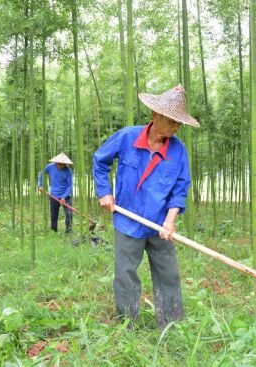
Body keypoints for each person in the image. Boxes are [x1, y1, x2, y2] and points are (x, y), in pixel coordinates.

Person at [93, 85, 199, 328]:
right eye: (172, 121)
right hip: (127, 220)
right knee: (126, 274)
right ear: (155, 115)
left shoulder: (178, 150)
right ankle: (127, 324)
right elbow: (100, 162)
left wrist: (170, 221)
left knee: (168, 274)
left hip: (159, 224)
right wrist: (105, 192)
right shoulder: (127, 137)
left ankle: (171, 324)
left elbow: (180, 189)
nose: (176, 127)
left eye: (179, 123)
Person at [38, 153, 74, 234]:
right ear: (56, 162)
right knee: (53, 216)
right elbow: (41, 173)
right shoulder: (50, 167)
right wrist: (40, 185)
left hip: (66, 196)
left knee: (69, 214)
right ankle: (53, 232)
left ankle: (68, 232)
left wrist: (64, 197)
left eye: (63, 164)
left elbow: (70, 186)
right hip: (53, 195)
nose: (61, 165)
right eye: (60, 164)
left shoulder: (68, 171)